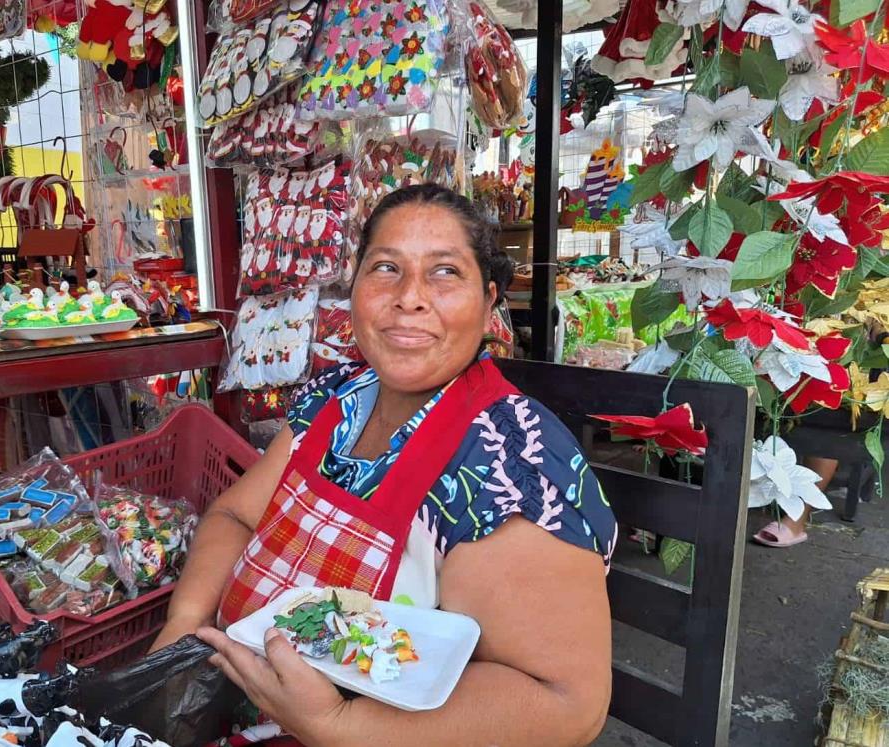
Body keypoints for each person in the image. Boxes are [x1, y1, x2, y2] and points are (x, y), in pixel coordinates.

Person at [149, 184, 617, 746]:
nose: (410, 297)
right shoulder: (336, 400)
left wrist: (335, 724)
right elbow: (234, 517)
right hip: (228, 701)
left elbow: (566, 703)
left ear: (490, 300)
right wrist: (182, 633)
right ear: (355, 289)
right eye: (386, 268)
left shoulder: (504, 459)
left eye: (445, 272)